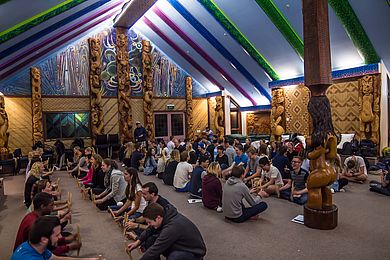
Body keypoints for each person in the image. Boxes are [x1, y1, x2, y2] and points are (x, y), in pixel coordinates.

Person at [127, 203, 206, 260]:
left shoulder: (172, 227)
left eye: (149, 222)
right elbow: (150, 229)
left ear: (158, 218)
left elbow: (156, 249)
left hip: (194, 253)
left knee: (174, 257)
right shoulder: (164, 215)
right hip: (181, 245)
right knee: (151, 241)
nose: (148, 224)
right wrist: (137, 242)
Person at [14, 192, 80, 255]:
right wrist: (69, 247)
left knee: (65, 235)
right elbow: (47, 251)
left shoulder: (33, 216)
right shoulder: (34, 225)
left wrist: (67, 240)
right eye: (51, 205)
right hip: (28, 254)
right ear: (42, 206)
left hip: (27, 250)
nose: (53, 207)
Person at [12, 215, 99, 260]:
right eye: (57, 235)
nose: (60, 237)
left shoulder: (35, 245)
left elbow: (56, 258)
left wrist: (88, 259)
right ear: (44, 239)